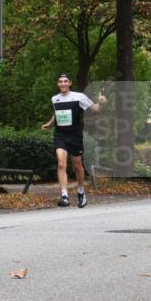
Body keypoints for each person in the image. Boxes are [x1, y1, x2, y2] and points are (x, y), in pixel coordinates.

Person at [41, 73, 106, 207]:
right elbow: (57, 113)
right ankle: (64, 195)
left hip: (75, 135)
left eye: (65, 81)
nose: (63, 84)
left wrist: (100, 102)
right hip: (60, 135)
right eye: (60, 81)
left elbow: (95, 109)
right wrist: (49, 123)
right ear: (57, 84)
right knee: (61, 163)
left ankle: (81, 191)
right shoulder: (55, 99)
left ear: (70, 83)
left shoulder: (79, 97)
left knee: (77, 166)